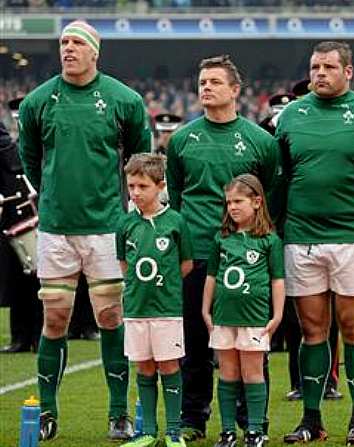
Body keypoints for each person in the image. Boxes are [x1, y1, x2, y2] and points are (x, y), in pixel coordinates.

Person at [17, 20, 151, 441]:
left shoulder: (123, 100)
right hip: (56, 228)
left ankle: (117, 414)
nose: (68, 49)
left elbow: (140, 157)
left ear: (96, 51)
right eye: (63, 42)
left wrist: (127, 209)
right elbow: (30, 160)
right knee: (54, 318)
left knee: (110, 317)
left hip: (105, 228)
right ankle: (48, 413)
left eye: (77, 42)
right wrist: (57, 196)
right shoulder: (37, 102)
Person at [276, 41, 354, 445]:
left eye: (327, 66)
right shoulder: (291, 114)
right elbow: (283, 174)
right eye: (314, 66)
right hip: (302, 236)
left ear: (349, 72)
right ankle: (311, 419)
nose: (319, 73)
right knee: (311, 331)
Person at [166, 54, 282, 441]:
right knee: (196, 342)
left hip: (246, 258)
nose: (206, 88)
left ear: (236, 90)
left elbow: (270, 193)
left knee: (249, 344)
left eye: (215, 82)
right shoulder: (182, 139)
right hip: (196, 254)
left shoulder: (260, 141)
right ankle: (193, 418)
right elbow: (179, 196)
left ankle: (253, 423)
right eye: (202, 82)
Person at [201, 174, 285, 447]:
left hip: (255, 318)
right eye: (228, 203)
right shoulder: (222, 238)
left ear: (257, 202)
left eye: (238, 201)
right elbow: (211, 276)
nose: (232, 207)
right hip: (224, 317)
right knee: (227, 373)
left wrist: (278, 314)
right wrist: (206, 310)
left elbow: (277, 280)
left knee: (252, 373)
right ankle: (227, 431)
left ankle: (255, 430)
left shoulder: (269, 240)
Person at [117, 153, 194, 447]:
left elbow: (185, 264)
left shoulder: (175, 221)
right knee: (144, 368)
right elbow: (125, 265)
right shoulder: (125, 225)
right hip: (136, 309)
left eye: (142, 186)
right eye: (131, 186)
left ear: (160, 186)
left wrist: (166, 285)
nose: (135, 192)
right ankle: (147, 432)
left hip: (166, 309)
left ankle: (173, 432)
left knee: (169, 367)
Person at [0, 98, 42, 354]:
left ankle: (36, 334)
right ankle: (20, 336)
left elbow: (15, 160)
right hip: (11, 215)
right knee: (16, 276)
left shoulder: (22, 142)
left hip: (31, 213)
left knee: (35, 277)